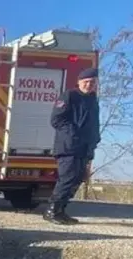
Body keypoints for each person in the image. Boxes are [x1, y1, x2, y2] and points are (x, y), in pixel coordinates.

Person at [44, 67, 101, 225]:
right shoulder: (70, 96)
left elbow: (93, 124)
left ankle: (61, 210)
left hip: (85, 148)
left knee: (77, 179)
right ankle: (52, 211)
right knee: (67, 179)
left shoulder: (92, 100)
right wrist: (74, 134)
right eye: (86, 82)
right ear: (79, 82)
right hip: (69, 147)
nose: (89, 85)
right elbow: (57, 119)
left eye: (92, 82)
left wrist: (95, 139)